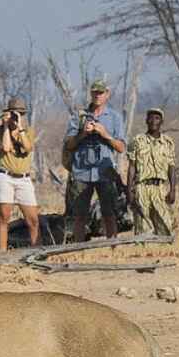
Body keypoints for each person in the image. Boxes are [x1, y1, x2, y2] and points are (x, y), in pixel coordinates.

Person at [62, 79, 126, 241]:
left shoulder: (114, 117)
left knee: (109, 213)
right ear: (90, 93)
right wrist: (83, 133)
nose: (97, 96)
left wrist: (105, 134)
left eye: (101, 93)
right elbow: (68, 145)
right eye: (95, 92)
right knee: (79, 216)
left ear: (107, 94)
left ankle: (113, 249)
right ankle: (79, 249)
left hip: (105, 172)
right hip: (82, 172)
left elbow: (121, 147)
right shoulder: (79, 116)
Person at [0, 96, 39, 249]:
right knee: (3, 217)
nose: (15, 116)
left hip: (24, 179)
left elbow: (28, 147)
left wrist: (20, 128)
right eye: (13, 113)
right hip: (6, 176)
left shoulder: (29, 131)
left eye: (19, 114)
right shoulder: (0, 131)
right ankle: (2, 253)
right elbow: (5, 147)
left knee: (33, 220)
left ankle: (37, 250)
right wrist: (6, 126)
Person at [125, 106, 176, 238]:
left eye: (157, 118)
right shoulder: (137, 141)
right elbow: (131, 167)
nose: (154, 121)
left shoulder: (168, 143)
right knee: (142, 225)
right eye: (151, 118)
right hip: (142, 187)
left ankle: (165, 253)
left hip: (160, 188)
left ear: (161, 122)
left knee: (166, 224)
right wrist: (129, 190)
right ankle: (143, 254)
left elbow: (171, 166)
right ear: (146, 120)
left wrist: (172, 189)